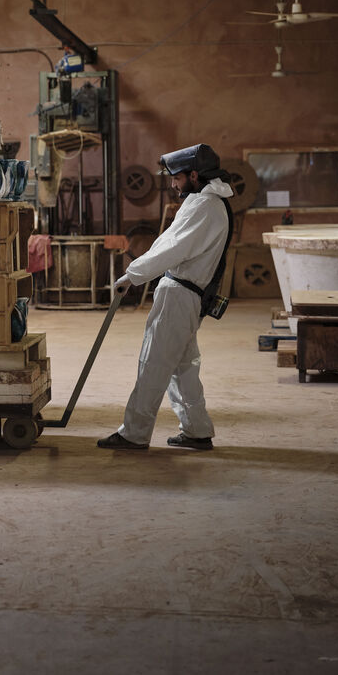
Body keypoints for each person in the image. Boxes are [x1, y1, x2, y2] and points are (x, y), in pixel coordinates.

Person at [98, 143, 234, 451]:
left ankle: (134, 434)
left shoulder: (205, 205)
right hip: (185, 294)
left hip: (180, 295)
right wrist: (137, 273)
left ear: (194, 175)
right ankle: (197, 430)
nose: (173, 184)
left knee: (153, 363)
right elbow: (168, 241)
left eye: (177, 178)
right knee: (183, 367)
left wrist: (132, 275)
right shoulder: (203, 201)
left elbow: (173, 249)